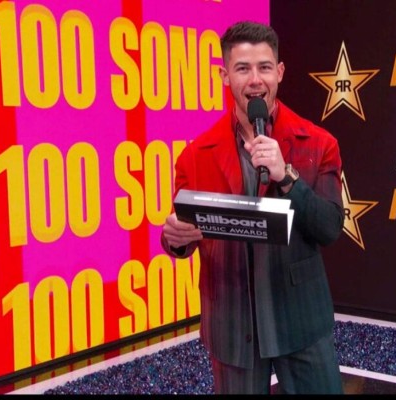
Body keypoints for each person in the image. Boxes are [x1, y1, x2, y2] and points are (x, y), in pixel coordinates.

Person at [161, 21, 345, 394]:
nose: (255, 79)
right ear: (225, 75)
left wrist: (287, 177)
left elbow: (328, 227)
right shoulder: (196, 155)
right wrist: (175, 240)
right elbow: (182, 236)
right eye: (243, 68)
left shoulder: (319, 143)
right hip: (231, 323)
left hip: (301, 319)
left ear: (279, 72)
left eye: (264, 67)